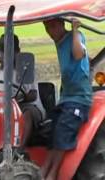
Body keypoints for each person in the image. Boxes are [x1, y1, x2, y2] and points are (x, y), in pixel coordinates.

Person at [41, 18, 92, 180]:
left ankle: (52, 174)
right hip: (66, 98)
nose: (49, 31)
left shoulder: (76, 37)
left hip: (79, 99)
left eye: (53, 26)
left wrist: (75, 29)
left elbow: (78, 54)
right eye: (46, 27)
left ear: (62, 24)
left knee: (62, 134)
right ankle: (42, 172)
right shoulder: (60, 41)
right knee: (51, 132)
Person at [0, 34, 46, 147]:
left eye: (9, 52)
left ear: (18, 52)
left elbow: (33, 94)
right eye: (3, 52)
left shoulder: (25, 68)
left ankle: (20, 149)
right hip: (6, 106)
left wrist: (20, 97)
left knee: (26, 115)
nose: (5, 55)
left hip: (28, 106)